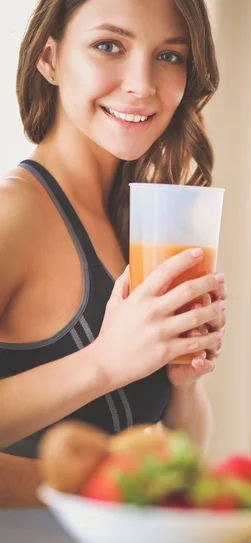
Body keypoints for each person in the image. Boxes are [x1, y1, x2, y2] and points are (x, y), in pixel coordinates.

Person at [0, 0, 227, 507]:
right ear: (49, 58)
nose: (142, 84)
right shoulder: (14, 214)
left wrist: (183, 381)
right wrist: (105, 362)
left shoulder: (137, 224)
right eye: (109, 46)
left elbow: (181, 450)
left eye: (170, 56)